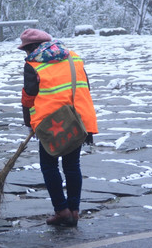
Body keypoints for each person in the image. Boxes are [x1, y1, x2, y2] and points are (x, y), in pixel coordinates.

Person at [19, 28, 98, 227]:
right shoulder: (73, 57)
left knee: (49, 165)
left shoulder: (33, 64)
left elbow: (28, 97)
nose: (26, 54)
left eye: (26, 50)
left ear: (31, 48)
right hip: (78, 119)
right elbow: (85, 86)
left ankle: (62, 210)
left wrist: (30, 124)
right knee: (72, 165)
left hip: (52, 125)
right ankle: (74, 211)